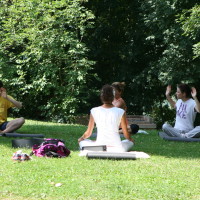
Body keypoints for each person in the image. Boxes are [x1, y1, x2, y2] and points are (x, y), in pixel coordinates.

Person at [78, 84, 134, 152]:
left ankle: (97, 147)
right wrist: (131, 140)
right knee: (129, 142)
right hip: (117, 148)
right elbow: (126, 134)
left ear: (101, 97)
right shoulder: (121, 111)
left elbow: (88, 133)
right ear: (113, 97)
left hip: (100, 146)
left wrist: (81, 138)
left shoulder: (94, 110)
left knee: (83, 142)